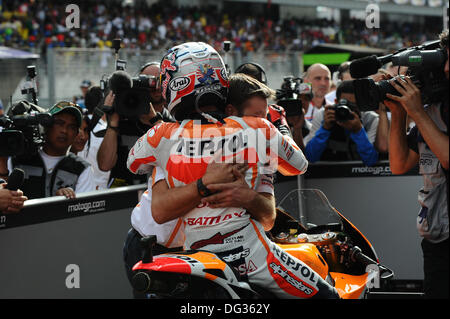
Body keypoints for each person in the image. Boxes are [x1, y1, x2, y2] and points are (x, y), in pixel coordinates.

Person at [127, 42, 339, 299]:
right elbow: (298, 166)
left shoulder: (160, 136)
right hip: (252, 254)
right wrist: (280, 128)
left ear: (176, 84)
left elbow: (133, 163)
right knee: (329, 296)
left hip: (196, 254)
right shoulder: (258, 128)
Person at [123, 73, 277, 299]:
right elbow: (161, 211)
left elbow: (268, 219)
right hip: (155, 247)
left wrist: (246, 197)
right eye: (256, 117)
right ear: (231, 112)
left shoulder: (258, 151)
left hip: (212, 255)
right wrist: (205, 185)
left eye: (265, 117)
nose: (264, 125)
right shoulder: (174, 143)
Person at [384, 30, 448, 299]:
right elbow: (399, 164)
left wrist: (418, 113)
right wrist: (399, 113)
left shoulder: (427, 113)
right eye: (445, 59)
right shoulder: (434, 109)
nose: (446, 68)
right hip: (437, 239)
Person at [97, 62, 175, 187]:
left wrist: (155, 121)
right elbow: (105, 165)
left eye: (160, 80)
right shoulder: (122, 119)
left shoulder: (173, 122)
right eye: (148, 81)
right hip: (123, 195)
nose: (155, 86)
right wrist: (113, 124)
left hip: (158, 197)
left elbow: (176, 160)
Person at [2, 101, 95, 200]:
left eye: (71, 127)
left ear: (76, 134)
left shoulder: (83, 169)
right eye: (59, 123)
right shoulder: (16, 160)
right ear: (46, 126)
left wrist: (64, 200)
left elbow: (85, 210)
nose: (64, 130)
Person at [303, 80, 379, 167]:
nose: (349, 110)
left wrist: (358, 131)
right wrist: (325, 129)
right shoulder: (324, 115)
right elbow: (310, 157)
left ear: (361, 105)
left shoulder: (371, 119)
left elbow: (371, 161)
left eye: (353, 106)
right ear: (336, 102)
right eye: (346, 105)